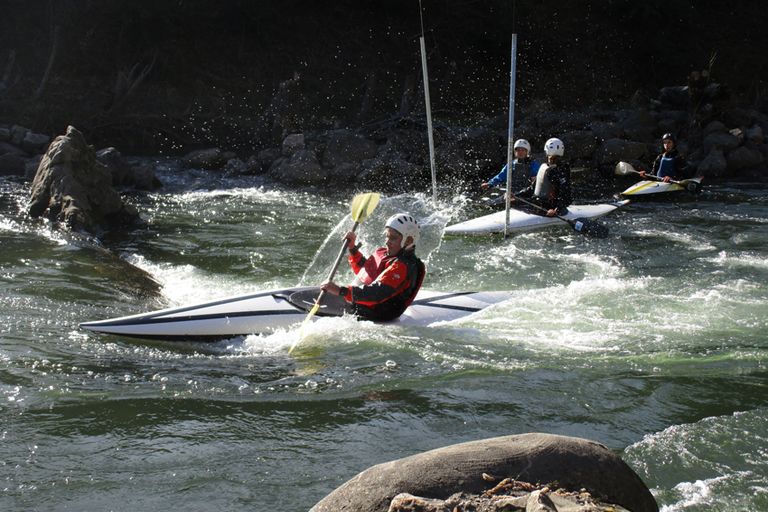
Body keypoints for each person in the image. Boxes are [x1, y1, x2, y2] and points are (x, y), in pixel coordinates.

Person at [321, 213, 425, 322]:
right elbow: (367, 273)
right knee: (323, 291)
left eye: (393, 238)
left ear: (408, 241)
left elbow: (377, 293)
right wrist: (352, 249)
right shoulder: (386, 254)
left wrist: (341, 291)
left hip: (373, 313)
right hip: (362, 305)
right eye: (387, 236)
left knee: (322, 295)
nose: (387, 242)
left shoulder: (403, 266)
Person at [510, 137, 572, 217]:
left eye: (554, 158)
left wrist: (556, 209)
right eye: (551, 157)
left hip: (552, 207)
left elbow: (565, 194)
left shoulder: (561, 170)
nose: (551, 159)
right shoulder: (545, 167)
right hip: (540, 203)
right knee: (512, 202)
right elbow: (532, 189)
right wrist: (516, 195)